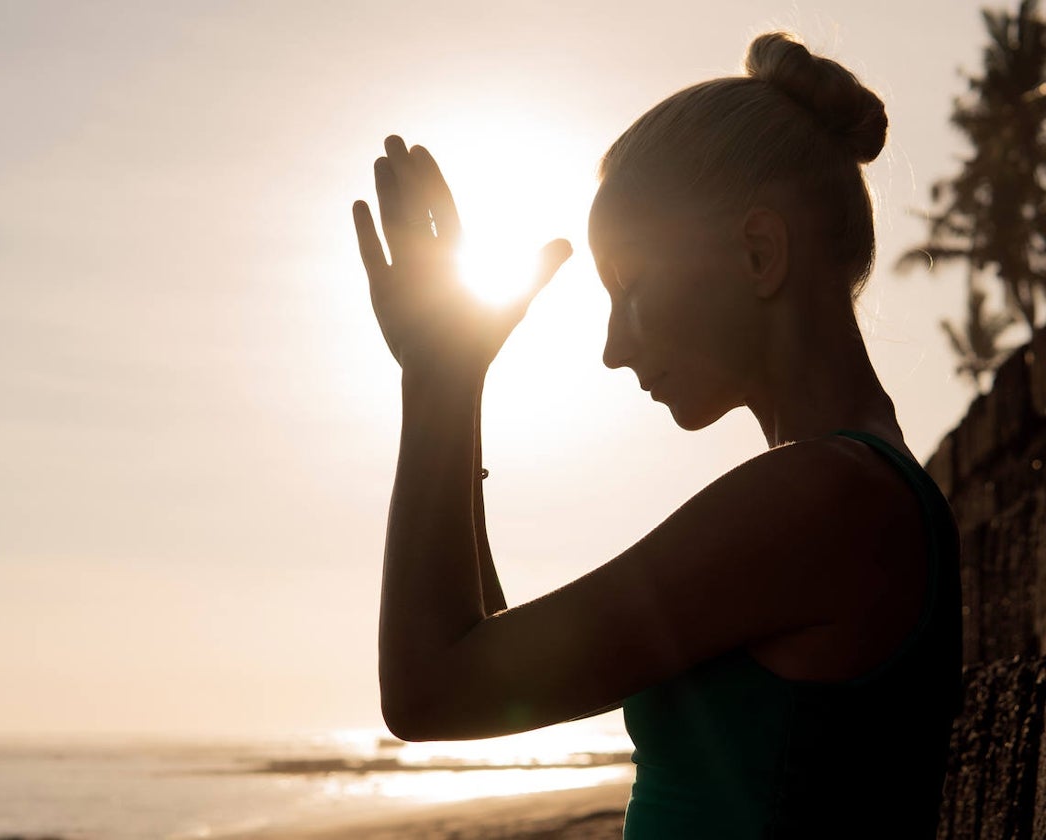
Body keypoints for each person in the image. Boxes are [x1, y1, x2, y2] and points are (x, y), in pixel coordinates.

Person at [350, 31, 962, 839]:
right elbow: (497, 668)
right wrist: (453, 387)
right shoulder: (849, 493)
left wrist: (438, 380)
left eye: (629, 287)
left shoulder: (825, 500)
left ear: (757, 252)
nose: (614, 347)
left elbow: (431, 690)